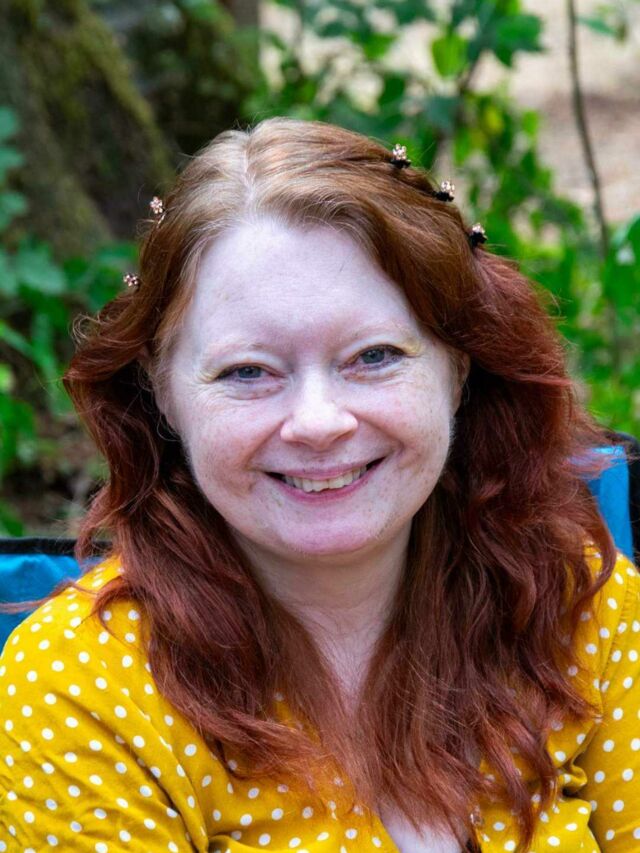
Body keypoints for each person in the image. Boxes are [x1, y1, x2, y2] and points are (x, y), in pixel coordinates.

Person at [0, 117, 638, 853]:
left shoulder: (581, 603)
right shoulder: (79, 689)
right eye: (248, 371)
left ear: (459, 367)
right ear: (162, 392)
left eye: (373, 356)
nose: (318, 422)